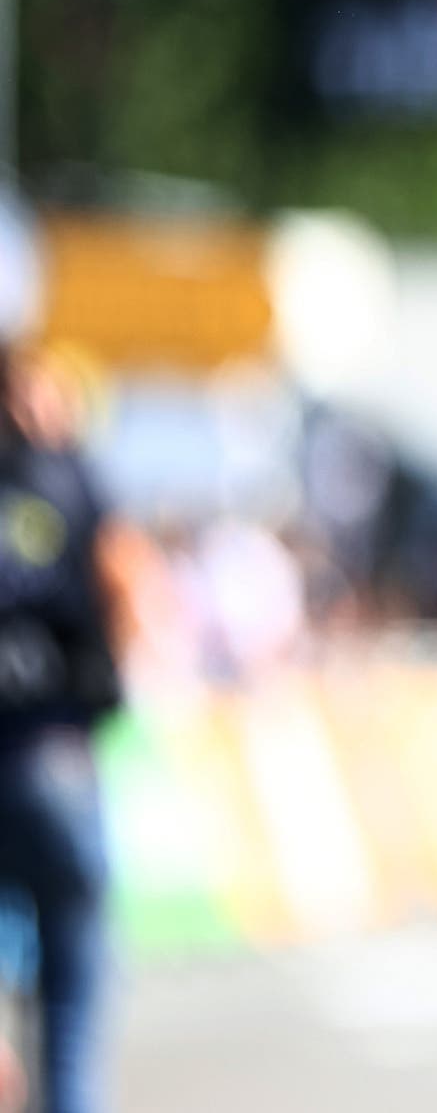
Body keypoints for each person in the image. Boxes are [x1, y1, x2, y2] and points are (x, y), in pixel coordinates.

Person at [0, 342, 128, 1113]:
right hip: (53, 753)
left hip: (39, 751)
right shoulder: (72, 480)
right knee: (74, 993)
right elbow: (129, 584)